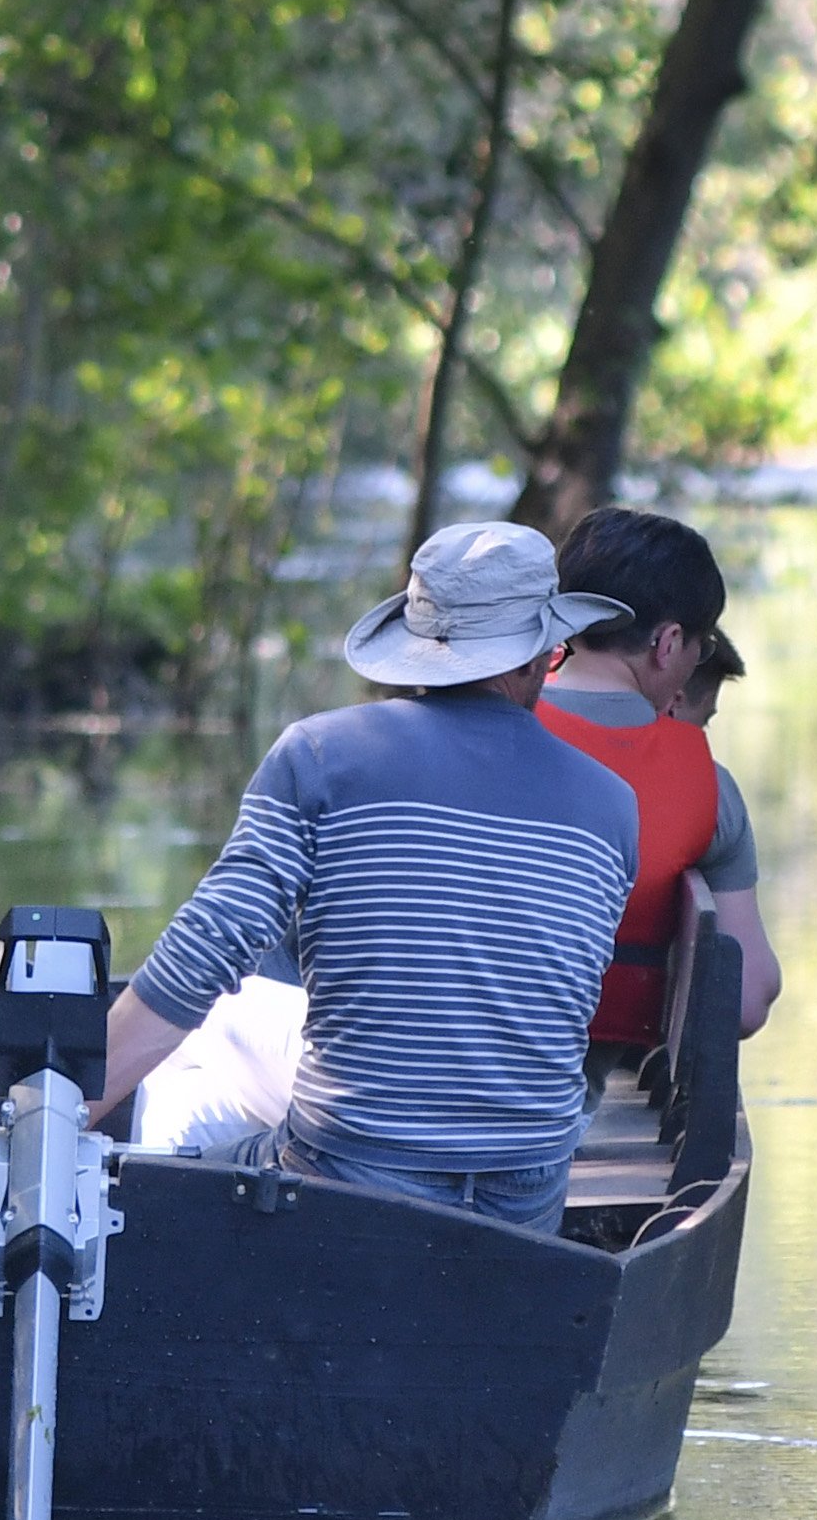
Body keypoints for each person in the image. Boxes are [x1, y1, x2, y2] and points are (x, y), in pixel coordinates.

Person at [89, 521, 637, 1231]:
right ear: (540, 656)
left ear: (414, 650)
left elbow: (206, 951)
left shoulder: (321, 756)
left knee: (196, 1059)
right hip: (525, 1197)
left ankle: (146, 1270)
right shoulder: (613, 807)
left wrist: (57, 1112)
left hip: (349, 1179)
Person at [535, 508, 785, 1042]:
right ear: (669, 644)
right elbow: (746, 1001)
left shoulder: (483, 734)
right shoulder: (709, 789)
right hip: (607, 1070)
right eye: (702, 650)